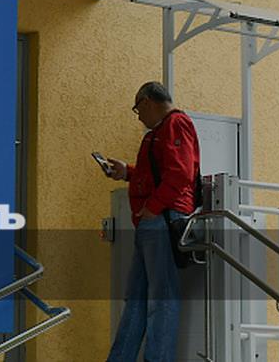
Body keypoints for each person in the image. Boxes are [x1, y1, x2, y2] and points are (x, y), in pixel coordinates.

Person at [101, 81, 201, 362]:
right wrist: (127, 172)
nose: (139, 117)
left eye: (137, 109)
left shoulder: (175, 124)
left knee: (159, 298)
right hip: (153, 221)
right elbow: (161, 173)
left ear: (147, 101)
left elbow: (180, 174)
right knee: (138, 299)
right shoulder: (162, 130)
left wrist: (153, 208)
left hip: (161, 220)